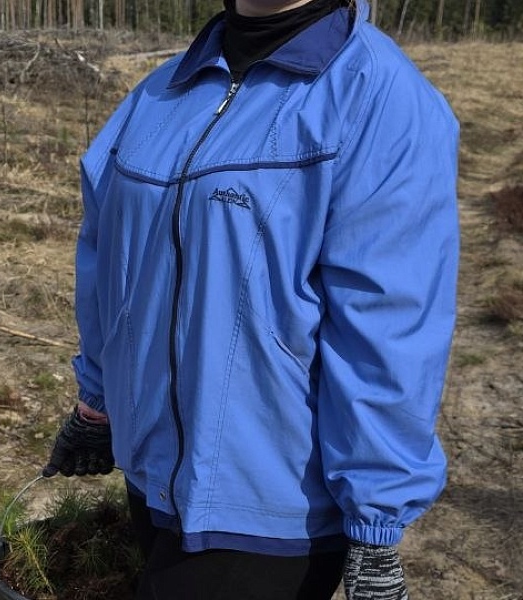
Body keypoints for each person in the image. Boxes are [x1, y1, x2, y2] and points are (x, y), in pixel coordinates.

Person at [44, 0, 459, 597]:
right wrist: (98, 400)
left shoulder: (376, 98)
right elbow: (108, 266)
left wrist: (377, 513)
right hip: (152, 479)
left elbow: (388, 322)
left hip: (268, 510)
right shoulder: (161, 93)